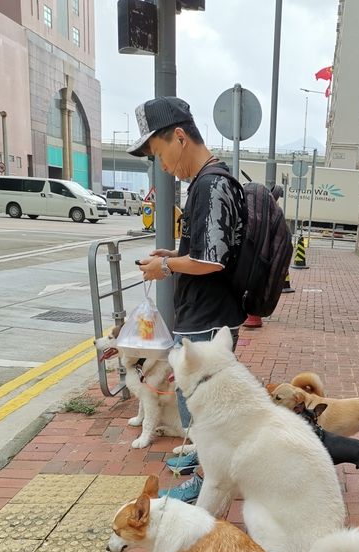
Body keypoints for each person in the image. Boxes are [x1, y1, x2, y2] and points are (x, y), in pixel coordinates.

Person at [128, 96, 245, 502]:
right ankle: (201, 463)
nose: (162, 166)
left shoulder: (212, 184)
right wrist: (173, 257)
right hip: (204, 316)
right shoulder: (207, 182)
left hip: (208, 320)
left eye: (159, 153)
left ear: (180, 137)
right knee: (197, 404)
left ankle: (207, 482)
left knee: (207, 409)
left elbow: (213, 261)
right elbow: (207, 253)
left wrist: (167, 268)